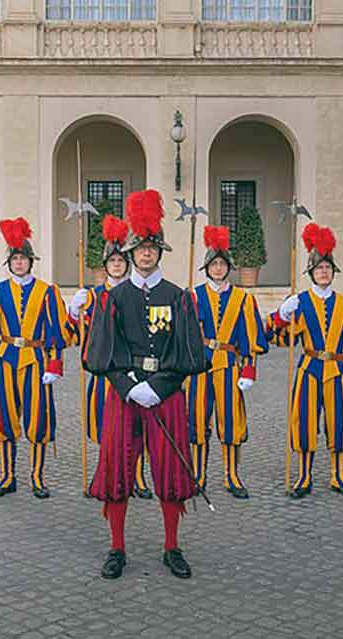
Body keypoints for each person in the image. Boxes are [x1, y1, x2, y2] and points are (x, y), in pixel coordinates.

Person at [85, 189, 208, 580]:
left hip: (166, 394)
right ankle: (116, 547)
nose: (146, 254)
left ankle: (172, 546)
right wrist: (127, 385)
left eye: (152, 248)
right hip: (126, 396)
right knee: (117, 469)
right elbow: (101, 352)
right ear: (131, 251)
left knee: (170, 469)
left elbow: (188, 351)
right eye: (140, 248)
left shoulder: (179, 297)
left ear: (159, 252)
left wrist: (161, 385)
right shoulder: (114, 297)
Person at [0, 217, 68, 499]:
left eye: (23, 259)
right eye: (15, 259)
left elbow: (56, 329)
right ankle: (7, 476)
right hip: (6, 357)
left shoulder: (48, 291)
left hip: (36, 358)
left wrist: (55, 363)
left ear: (30, 262)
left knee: (38, 418)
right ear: (9, 263)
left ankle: (37, 476)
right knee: (4, 417)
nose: (19, 263)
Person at [268, 223, 343, 500]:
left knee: (339, 422)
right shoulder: (299, 301)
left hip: (337, 368)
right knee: (305, 422)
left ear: (332, 272)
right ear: (311, 273)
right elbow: (277, 336)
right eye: (318, 268)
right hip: (309, 368)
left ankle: (339, 475)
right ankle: (304, 475)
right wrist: (282, 315)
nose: (323, 272)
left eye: (327, 268)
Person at [66, 215, 153, 499]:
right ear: (105, 266)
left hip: (132, 374)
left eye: (120, 261)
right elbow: (74, 334)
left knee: (135, 427)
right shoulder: (92, 296)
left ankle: (137, 477)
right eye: (112, 261)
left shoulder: (140, 293)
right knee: (106, 428)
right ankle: (103, 475)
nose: (116, 265)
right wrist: (74, 312)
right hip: (105, 372)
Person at [186, 225, 267, 498]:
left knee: (231, 422)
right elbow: (184, 337)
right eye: (213, 264)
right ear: (206, 267)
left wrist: (249, 369)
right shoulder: (193, 295)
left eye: (222, 264)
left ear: (228, 267)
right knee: (197, 421)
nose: (218, 268)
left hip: (230, 366)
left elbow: (251, 335)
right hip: (199, 367)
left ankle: (232, 475)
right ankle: (198, 474)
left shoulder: (243, 298)